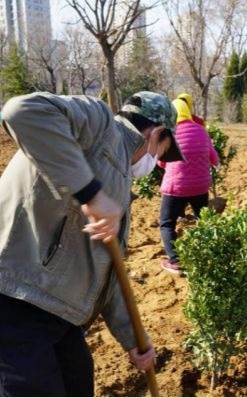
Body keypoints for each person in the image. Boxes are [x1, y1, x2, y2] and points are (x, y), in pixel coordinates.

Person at [0, 91, 180, 396]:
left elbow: (108, 271)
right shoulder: (99, 124)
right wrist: (90, 193)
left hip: (60, 314)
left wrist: (133, 340)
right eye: (162, 153)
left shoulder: (121, 178)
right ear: (158, 134)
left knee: (78, 383)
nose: (157, 162)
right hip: (14, 298)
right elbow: (21, 111)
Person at [159, 93, 219, 276]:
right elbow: (214, 158)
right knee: (204, 221)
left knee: (166, 223)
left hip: (176, 187)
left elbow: (161, 162)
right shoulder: (201, 130)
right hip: (200, 187)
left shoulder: (170, 132)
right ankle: (208, 257)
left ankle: (175, 262)